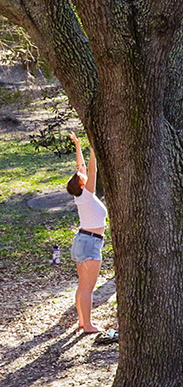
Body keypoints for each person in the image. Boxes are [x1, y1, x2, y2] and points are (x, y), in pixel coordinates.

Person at [67, 132, 108, 335]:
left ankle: (83, 322)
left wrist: (78, 145)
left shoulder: (82, 196)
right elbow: (91, 170)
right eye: (81, 177)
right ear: (82, 185)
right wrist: (93, 149)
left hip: (83, 241)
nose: (81, 173)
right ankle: (88, 325)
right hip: (89, 243)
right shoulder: (87, 195)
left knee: (82, 286)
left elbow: (81, 168)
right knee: (87, 288)